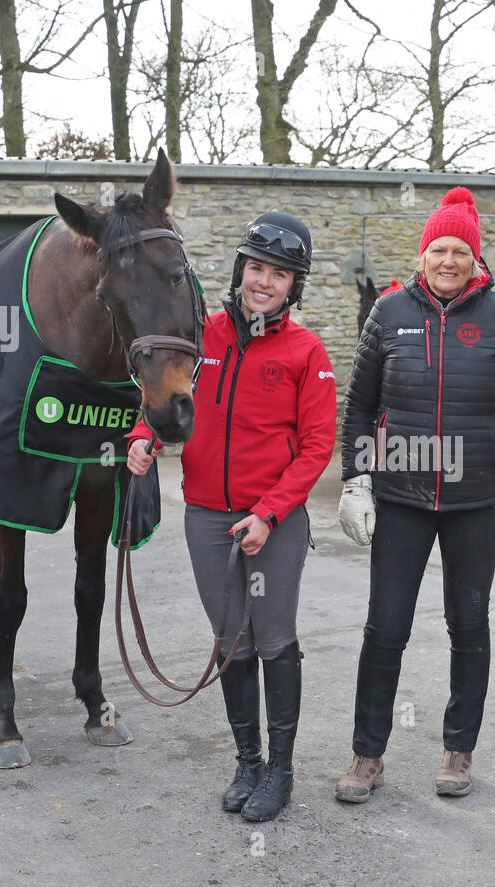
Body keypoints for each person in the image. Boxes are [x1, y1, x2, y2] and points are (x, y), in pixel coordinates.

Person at [334, 187, 495, 802]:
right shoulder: (388, 313)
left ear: (476, 259)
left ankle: (458, 751)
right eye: (439, 249)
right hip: (402, 496)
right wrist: (356, 481)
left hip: (475, 503)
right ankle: (366, 755)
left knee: (469, 625)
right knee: (385, 628)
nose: (449, 260)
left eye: (461, 250)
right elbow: (358, 407)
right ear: (424, 253)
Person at [126, 212, 335, 823]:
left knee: (272, 640)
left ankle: (281, 771)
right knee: (230, 641)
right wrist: (143, 435)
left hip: (273, 521)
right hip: (205, 518)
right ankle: (247, 761)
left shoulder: (306, 351)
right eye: (257, 267)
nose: (264, 281)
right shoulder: (202, 335)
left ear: (295, 285)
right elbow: (162, 395)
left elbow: (317, 446)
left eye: (279, 274)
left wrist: (270, 513)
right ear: (242, 269)